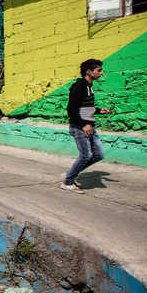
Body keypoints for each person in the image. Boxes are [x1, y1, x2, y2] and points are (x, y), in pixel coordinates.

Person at [61, 58, 113, 193]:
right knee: (85, 155)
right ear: (89, 72)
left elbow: (85, 107)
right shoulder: (79, 86)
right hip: (79, 127)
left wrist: (100, 110)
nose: (101, 73)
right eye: (99, 70)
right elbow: (71, 109)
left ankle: (70, 173)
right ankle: (67, 182)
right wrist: (83, 124)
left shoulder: (89, 86)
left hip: (89, 125)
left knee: (99, 155)